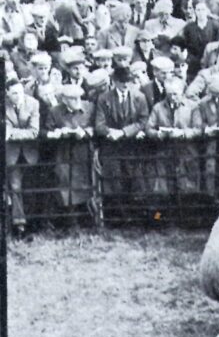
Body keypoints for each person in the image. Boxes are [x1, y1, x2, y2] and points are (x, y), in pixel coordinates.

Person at [94, 66, 150, 204]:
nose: (125, 84)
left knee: (135, 181)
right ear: (114, 81)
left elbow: (143, 120)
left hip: (133, 147)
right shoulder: (104, 98)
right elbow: (99, 125)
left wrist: (124, 132)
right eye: (121, 81)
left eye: (128, 81)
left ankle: (135, 217)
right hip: (112, 147)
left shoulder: (139, 97)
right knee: (114, 183)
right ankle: (118, 218)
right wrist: (110, 132)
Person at [44, 84, 95, 212]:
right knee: (65, 183)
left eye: (79, 97)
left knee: (85, 183)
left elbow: (96, 126)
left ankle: (88, 216)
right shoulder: (55, 111)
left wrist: (85, 132)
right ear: (64, 99)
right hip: (63, 152)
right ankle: (70, 218)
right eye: (73, 98)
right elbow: (47, 129)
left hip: (83, 151)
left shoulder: (89, 107)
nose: (77, 101)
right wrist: (58, 132)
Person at [145, 76, 199, 195]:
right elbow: (148, 128)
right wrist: (157, 134)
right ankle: (161, 214)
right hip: (164, 152)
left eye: (175, 94)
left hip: (187, 152)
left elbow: (198, 129)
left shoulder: (193, 106)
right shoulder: (158, 107)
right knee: (164, 190)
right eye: (169, 94)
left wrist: (183, 133)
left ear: (182, 91)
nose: (172, 97)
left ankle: (187, 213)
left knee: (187, 189)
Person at [6, 78, 40, 234]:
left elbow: (34, 131)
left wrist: (12, 133)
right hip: (11, 155)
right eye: (14, 93)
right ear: (7, 93)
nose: (18, 95)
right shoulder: (3, 105)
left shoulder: (33, 103)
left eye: (20, 92)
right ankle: (20, 225)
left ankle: (35, 223)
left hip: (30, 153)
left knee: (32, 188)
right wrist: (17, 133)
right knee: (15, 187)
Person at [182, 0, 219, 78]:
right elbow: (186, 45)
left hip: (210, 61)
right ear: (195, 11)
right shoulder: (189, 28)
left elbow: (218, 44)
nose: (201, 12)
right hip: (194, 63)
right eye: (198, 10)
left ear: (207, 11)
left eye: (203, 9)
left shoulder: (215, 26)